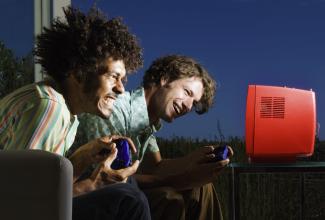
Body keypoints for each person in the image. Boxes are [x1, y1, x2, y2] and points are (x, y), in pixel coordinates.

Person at [0, 6, 151, 220]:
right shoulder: (48, 108)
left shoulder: (68, 115)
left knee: (129, 186)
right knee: (128, 201)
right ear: (79, 72)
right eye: (113, 77)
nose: (121, 88)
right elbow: (19, 205)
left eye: (122, 80)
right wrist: (93, 184)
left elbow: (42, 189)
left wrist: (80, 159)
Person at [76, 55, 233, 220]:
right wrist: (183, 179)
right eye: (187, 92)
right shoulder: (115, 110)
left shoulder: (147, 123)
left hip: (119, 191)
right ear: (165, 79)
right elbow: (110, 179)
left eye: (193, 103)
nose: (188, 106)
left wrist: (194, 160)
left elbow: (156, 166)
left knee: (202, 187)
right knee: (169, 197)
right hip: (90, 198)